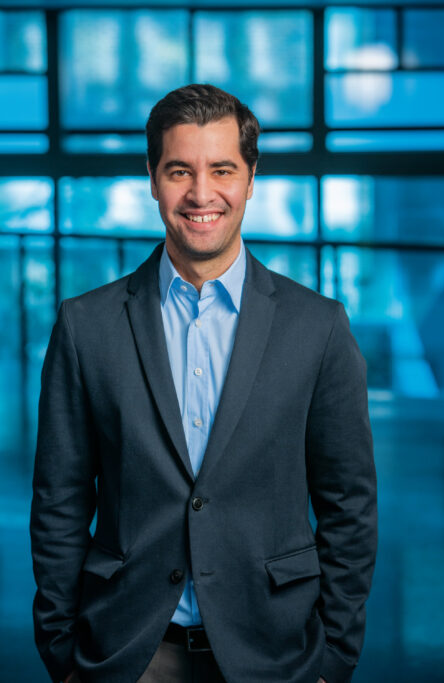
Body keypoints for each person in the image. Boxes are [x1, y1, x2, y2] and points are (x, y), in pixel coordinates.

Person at [30, 84, 377, 683]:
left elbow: (349, 506)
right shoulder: (85, 326)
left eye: (222, 169)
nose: (200, 193)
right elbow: (59, 503)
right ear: (151, 177)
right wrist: (63, 652)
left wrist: (333, 658)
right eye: (178, 170)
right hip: (127, 653)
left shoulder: (317, 326)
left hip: (278, 655)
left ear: (249, 179)